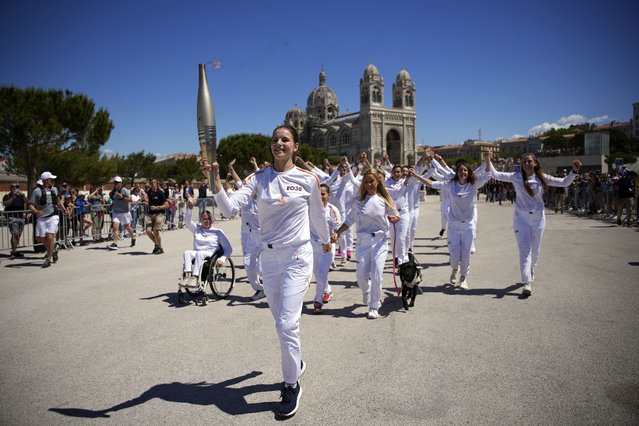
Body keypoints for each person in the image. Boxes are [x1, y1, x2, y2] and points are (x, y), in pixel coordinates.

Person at [210, 125, 330, 418]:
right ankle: (296, 362)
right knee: (280, 322)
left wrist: (327, 242)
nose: (279, 143)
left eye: (285, 139)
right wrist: (213, 179)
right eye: (275, 139)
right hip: (270, 259)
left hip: (298, 257)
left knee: (287, 325)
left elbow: (317, 216)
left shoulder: (307, 180)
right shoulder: (258, 179)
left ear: (296, 146)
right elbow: (228, 208)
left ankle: (291, 384)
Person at [486, 151, 582, 296]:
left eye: (529, 161)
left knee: (535, 251)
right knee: (525, 250)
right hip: (521, 219)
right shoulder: (516, 177)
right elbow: (495, 174)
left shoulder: (542, 178)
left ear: (535, 163)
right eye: (524, 162)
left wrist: (574, 171)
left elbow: (564, 182)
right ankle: (527, 283)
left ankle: (531, 269)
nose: (527, 164)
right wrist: (488, 159)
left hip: (538, 219)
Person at [409, 158, 490, 289]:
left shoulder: (473, 184)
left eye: (465, 170)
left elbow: (487, 175)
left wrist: (488, 160)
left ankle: (463, 278)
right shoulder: (450, 184)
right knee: (454, 253)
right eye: (460, 170)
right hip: (453, 225)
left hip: (468, 225)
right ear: (457, 173)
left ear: (468, 172)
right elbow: (431, 183)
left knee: (466, 253)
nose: (463, 172)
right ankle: (454, 269)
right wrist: (416, 175)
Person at [332, 170, 400, 319]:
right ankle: (366, 290)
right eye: (366, 182)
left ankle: (374, 306)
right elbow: (349, 220)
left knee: (376, 274)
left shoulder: (384, 199)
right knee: (361, 277)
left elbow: (394, 213)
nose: (369, 184)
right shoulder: (358, 201)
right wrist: (338, 232)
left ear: (377, 182)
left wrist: (395, 217)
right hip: (363, 242)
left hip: (380, 242)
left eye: (372, 181)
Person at [180, 192, 232, 289]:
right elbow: (188, 221)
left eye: (209, 219)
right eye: (204, 219)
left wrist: (222, 259)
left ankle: (195, 278)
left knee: (200, 254)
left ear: (212, 220)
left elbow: (228, 248)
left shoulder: (218, 232)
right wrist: (190, 207)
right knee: (186, 253)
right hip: (197, 252)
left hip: (210, 253)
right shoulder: (197, 229)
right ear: (200, 220)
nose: (207, 220)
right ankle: (187, 277)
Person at [312, 183, 341, 313]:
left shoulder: (332, 210)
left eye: (323, 194)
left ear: (328, 195)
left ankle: (318, 301)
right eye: (318, 194)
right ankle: (327, 290)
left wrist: (334, 236)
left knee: (321, 273)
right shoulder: (310, 209)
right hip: (312, 245)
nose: (320, 197)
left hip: (327, 246)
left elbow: (337, 229)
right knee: (316, 273)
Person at [29, 171, 66, 268]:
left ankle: (48, 259)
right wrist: (36, 211)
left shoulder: (54, 190)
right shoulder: (36, 191)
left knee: (50, 237)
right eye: (51, 179)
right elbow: (31, 205)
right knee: (39, 238)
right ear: (46, 180)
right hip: (41, 217)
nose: (53, 181)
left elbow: (58, 202)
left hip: (53, 216)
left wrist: (64, 210)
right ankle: (53, 250)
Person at [2, 181, 30, 259]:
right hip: (12, 217)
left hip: (21, 217)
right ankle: (13, 252)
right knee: (15, 234)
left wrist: (23, 195)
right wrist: (13, 197)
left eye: (17, 187)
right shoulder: (7, 196)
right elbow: (5, 204)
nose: (15, 188)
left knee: (18, 234)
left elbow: (28, 202)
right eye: (13, 187)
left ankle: (14, 250)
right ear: (10, 188)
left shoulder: (21, 196)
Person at [107, 176, 136, 250]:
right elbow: (111, 198)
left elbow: (131, 200)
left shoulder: (124, 190)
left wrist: (122, 197)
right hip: (116, 212)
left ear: (121, 183)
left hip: (125, 212)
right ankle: (115, 243)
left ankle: (133, 237)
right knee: (115, 226)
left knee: (127, 227)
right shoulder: (113, 191)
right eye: (115, 182)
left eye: (117, 182)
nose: (116, 183)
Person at [146, 178, 169, 254]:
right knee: (148, 231)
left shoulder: (160, 192)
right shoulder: (149, 192)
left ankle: (160, 247)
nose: (152, 184)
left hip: (159, 213)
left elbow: (167, 205)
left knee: (156, 231)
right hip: (150, 214)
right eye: (151, 182)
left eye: (154, 182)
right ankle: (157, 244)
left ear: (156, 183)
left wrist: (157, 207)